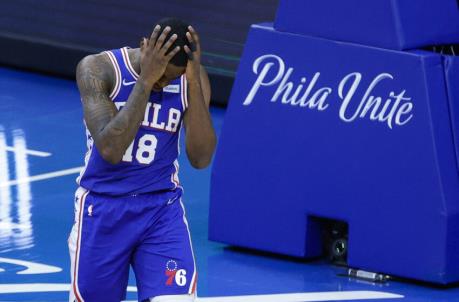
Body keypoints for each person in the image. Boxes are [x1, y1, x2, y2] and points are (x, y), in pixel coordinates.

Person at [68, 17, 216, 302]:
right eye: (162, 76)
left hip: (161, 209)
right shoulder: (98, 69)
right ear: (144, 46)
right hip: (103, 208)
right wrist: (146, 81)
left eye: (170, 79)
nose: (164, 83)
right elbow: (110, 150)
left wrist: (193, 84)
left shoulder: (188, 80)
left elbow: (201, 158)